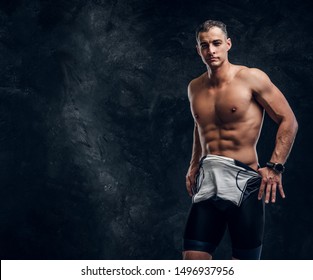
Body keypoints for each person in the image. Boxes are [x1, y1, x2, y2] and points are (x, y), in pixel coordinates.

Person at [182, 20, 298, 260]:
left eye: (216, 43)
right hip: (208, 184)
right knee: (192, 264)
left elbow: (289, 120)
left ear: (228, 44)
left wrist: (276, 166)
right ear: (198, 50)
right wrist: (194, 165)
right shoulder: (194, 87)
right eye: (204, 45)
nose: (211, 50)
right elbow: (199, 126)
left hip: (244, 183)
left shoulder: (251, 78)